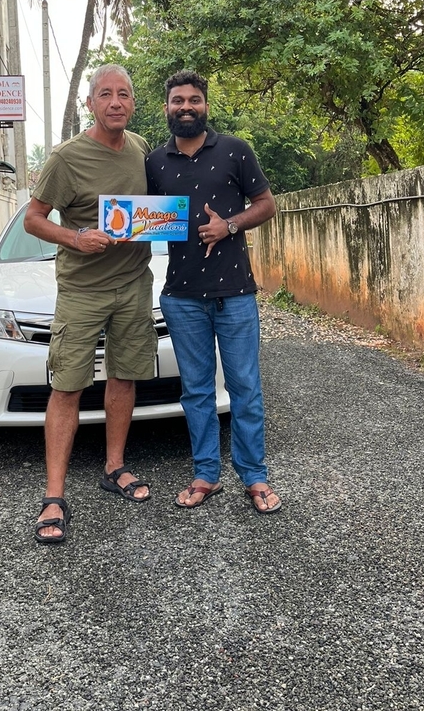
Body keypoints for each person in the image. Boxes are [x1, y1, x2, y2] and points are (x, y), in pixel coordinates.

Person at [24, 64, 156, 544]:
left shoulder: (141, 148)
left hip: (134, 284)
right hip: (82, 291)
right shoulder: (66, 158)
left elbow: (153, 211)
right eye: (106, 94)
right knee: (69, 385)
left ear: (133, 103)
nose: (116, 102)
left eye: (124, 93)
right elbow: (33, 220)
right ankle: (53, 496)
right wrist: (74, 237)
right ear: (91, 103)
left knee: (123, 378)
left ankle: (114, 466)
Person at [145, 69, 281, 514]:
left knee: (245, 387)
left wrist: (230, 224)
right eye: (178, 100)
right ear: (166, 108)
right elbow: (143, 220)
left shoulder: (236, 151)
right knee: (197, 391)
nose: (186, 107)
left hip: (236, 294)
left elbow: (266, 205)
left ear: (206, 105)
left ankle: (254, 477)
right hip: (181, 297)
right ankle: (206, 475)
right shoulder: (154, 163)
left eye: (195, 100)